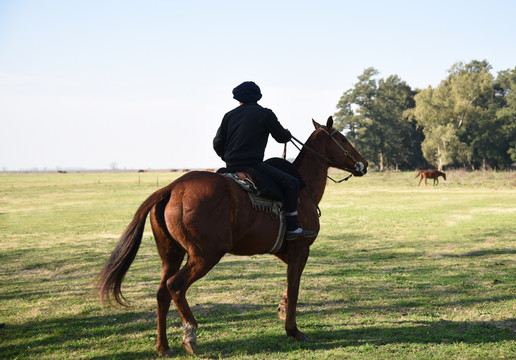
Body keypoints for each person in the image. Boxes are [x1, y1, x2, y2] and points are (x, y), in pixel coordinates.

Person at [213, 81, 317, 240]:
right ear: (257, 96)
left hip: (230, 166)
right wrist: (287, 135)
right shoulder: (265, 114)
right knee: (292, 183)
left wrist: (227, 158)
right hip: (253, 166)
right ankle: (293, 228)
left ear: (238, 98)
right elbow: (281, 137)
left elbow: (217, 143)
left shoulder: (229, 115)